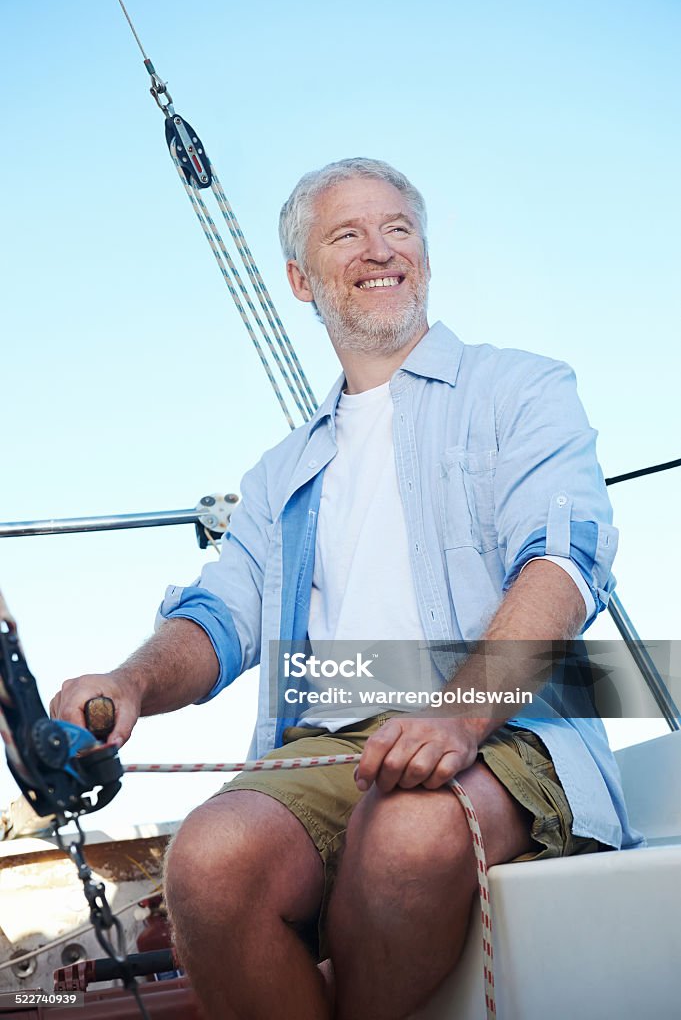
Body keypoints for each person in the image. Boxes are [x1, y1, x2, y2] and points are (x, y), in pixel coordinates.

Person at [52, 158, 642, 1020]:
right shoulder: (277, 474)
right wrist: (130, 682)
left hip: (504, 725)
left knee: (407, 832)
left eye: (398, 228)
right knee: (208, 862)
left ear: (425, 255)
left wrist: (457, 714)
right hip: (329, 745)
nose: (381, 250)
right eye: (347, 234)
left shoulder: (522, 388)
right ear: (301, 279)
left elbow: (559, 565)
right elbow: (221, 615)